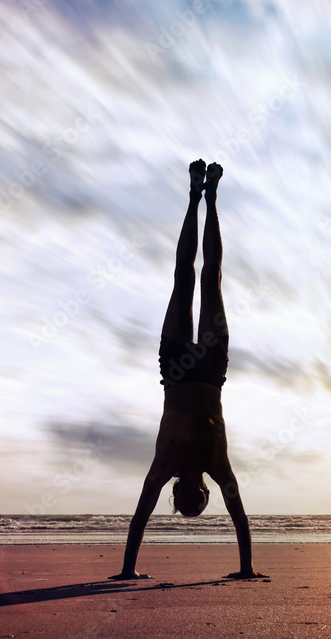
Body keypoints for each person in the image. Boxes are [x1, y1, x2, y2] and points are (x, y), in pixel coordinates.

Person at [110, 160, 266, 581]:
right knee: (200, 279)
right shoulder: (196, 465)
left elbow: (146, 515)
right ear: (194, 491)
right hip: (196, 370)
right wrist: (246, 569)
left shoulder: (181, 466)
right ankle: (204, 195)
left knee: (193, 279)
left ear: (193, 492)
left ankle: (201, 195)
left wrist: (129, 571)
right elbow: (236, 515)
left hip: (192, 371)